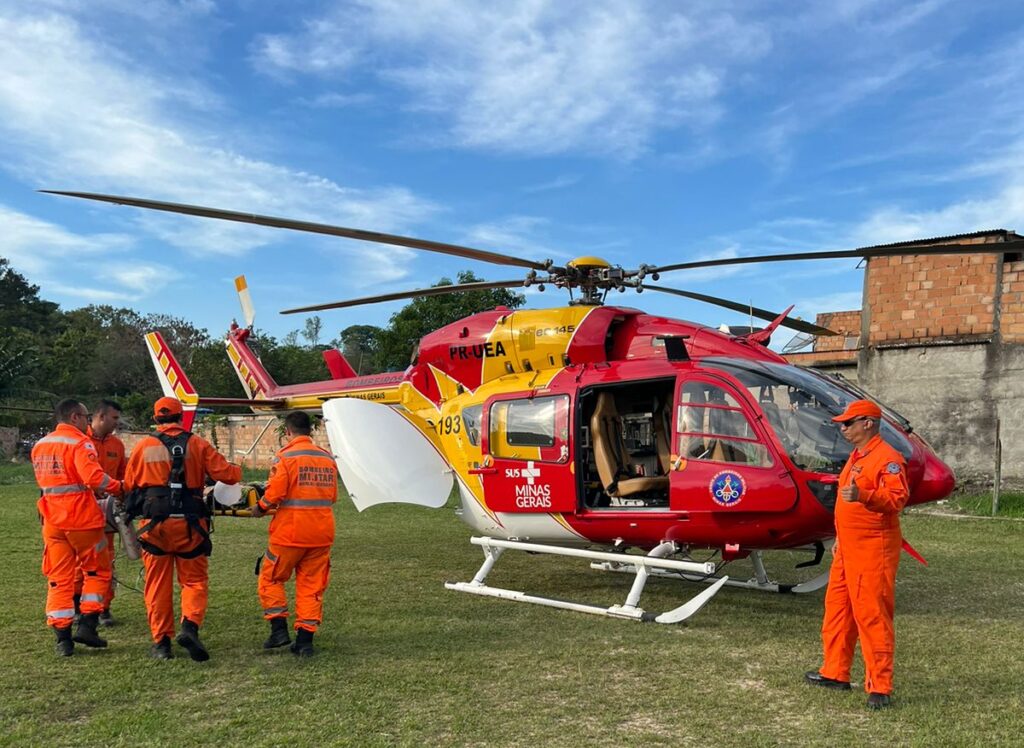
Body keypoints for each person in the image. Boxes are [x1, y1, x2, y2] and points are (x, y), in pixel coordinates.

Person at [804, 399, 909, 710]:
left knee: (872, 616)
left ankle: (880, 686)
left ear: (868, 423)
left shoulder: (887, 459)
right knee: (838, 611)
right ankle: (835, 672)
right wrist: (839, 536)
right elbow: (845, 506)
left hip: (872, 549)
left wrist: (864, 495)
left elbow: (896, 499)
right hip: (847, 548)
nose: (843, 427)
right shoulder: (857, 456)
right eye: (843, 422)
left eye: (849, 422)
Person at [124, 397, 241, 661]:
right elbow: (229, 475)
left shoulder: (143, 446)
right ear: (182, 417)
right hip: (190, 526)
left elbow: (129, 484)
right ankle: (189, 626)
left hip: (155, 527)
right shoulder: (198, 444)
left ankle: (161, 642)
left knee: (156, 585)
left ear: (156, 419)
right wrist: (235, 468)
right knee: (194, 581)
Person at [31, 399, 122, 656]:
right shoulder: (81, 443)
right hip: (82, 519)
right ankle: (88, 625)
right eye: (85, 416)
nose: (87, 421)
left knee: (59, 579)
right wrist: (119, 486)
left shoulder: (40, 445)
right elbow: (93, 478)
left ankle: (63, 639)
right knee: (97, 571)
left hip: (52, 520)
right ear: (74, 418)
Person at [251, 411, 337, 657]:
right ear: (310, 430)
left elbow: (276, 491)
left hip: (289, 534)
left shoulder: (286, 456)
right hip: (321, 534)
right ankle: (304, 642)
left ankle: (278, 630)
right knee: (312, 586)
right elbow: (332, 496)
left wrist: (260, 507)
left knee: (271, 578)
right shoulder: (327, 458)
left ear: (287, 431)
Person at [83, 399, 126, 626]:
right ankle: (77, 607)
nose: (117, 423)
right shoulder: (80, 442)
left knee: (106, 559)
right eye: (114, 418)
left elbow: (122, 476)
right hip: (80, 512)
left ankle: (103, 608)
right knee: (79, 562)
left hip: (106, 513)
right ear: (100, 417)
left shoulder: (117, 445)